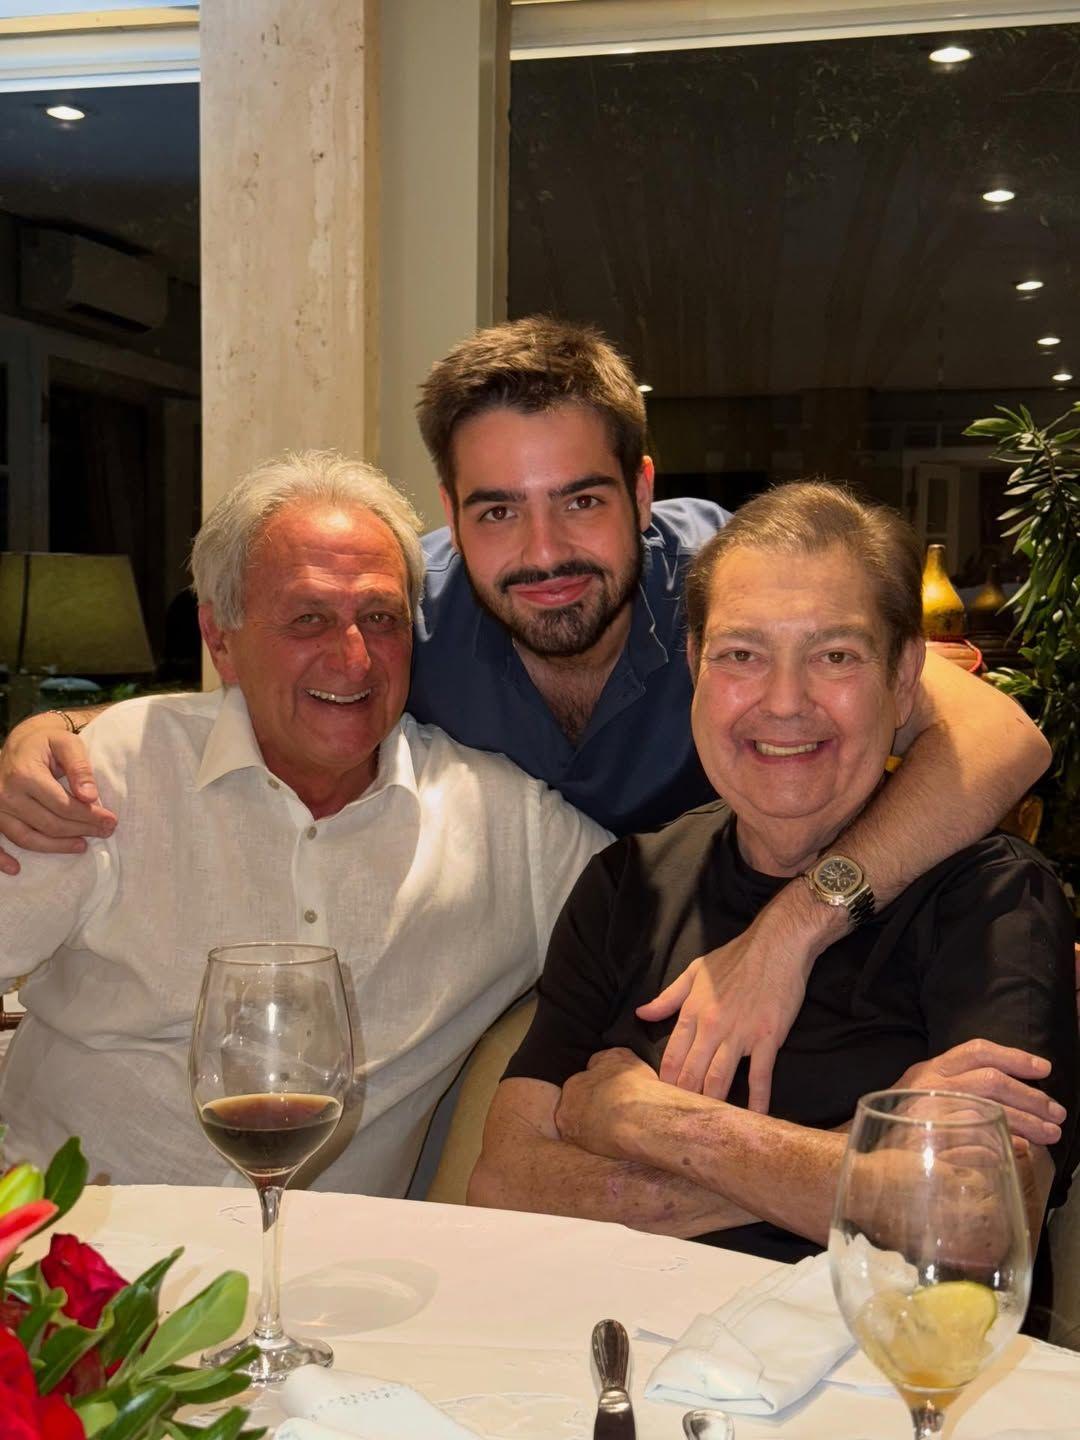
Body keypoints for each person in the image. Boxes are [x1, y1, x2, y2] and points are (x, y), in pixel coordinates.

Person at [0, 319, 1052, 1111]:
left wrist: (801, 934)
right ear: (452, 514)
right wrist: (51, 736)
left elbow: (1002, 737)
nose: (543, 552)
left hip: (792, 956)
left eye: (583, 500)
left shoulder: (736, 592)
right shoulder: (414, 621)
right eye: (498, 509)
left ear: (643, 492)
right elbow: (268, 677)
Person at [469, 482, 1076, 1267]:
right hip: (615, 1360)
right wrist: (869, 1169)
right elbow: (501, 1185)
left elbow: (977, 1223)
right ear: (693, 666)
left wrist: (641, 1120)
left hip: (887, 1375)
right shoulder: (629, 883)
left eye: (834, 656)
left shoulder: (993, 898)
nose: (785, 702)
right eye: (742, 655)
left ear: (902, 681)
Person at [0, 451, 608, 1189]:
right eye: (308, 618)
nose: (353, 660)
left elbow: (666, 926)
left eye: (379, 619)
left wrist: (787, 920)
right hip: (72, 1251)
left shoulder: (505, 825)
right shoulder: (114, 772)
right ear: (220, 639)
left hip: (334, 1280)